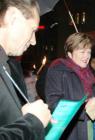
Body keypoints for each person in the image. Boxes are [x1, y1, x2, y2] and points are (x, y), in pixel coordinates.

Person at [45, 32, 95, 140]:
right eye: (82, 52)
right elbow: (54, 105)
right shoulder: (58, 71)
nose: (86, 56)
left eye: (89, 52)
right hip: (73, 132)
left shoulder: (88, 73)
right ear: (69, 53)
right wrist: (84, 108)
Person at [0, 0, 51, 139]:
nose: (34, 41)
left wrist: (23, 115)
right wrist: (33, 121)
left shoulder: (6, 64)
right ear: (13, 18)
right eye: (33, 30)